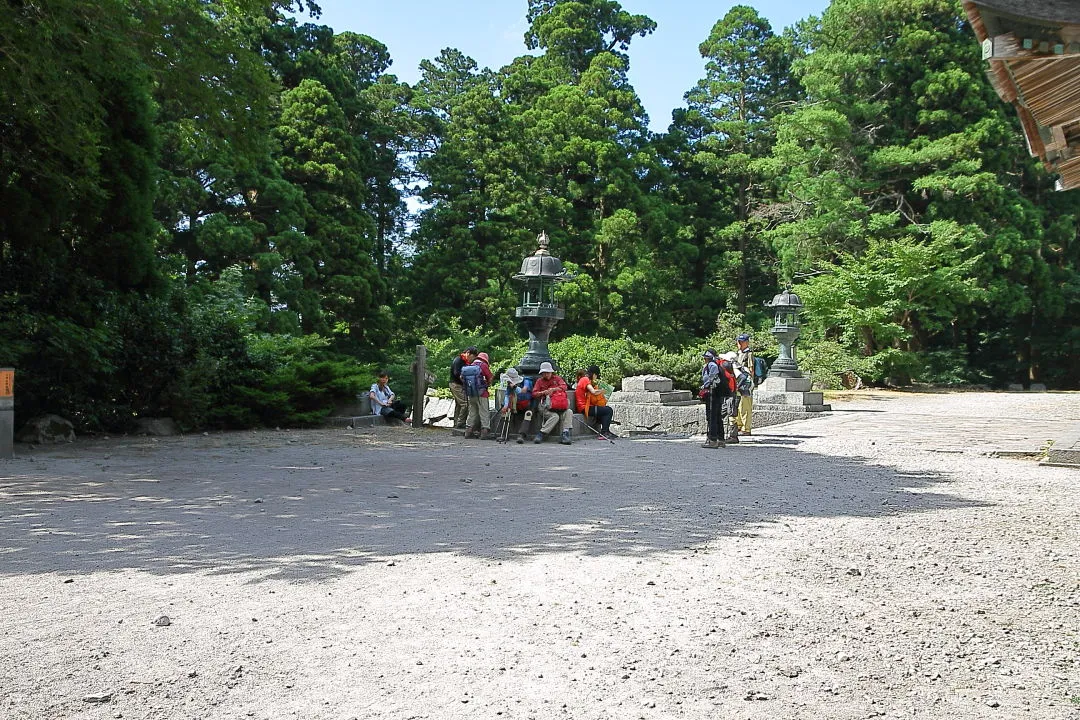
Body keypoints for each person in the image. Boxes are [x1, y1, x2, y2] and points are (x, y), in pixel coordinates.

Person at [532, 361, 572, 445]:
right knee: (555, 416)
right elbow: (534, 394)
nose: (546, 374)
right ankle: (541, 434)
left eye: (548, 372)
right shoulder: (539, 381)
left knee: (569, 412)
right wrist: (544, 393)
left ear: (551, 372)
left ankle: (565, 434)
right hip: (545, 406)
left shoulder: (557, 379)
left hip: (560, 404)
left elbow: (564, 387)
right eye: (544, 373)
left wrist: (553, 390)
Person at [700, 349, 731, 449]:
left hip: (712, 392)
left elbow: (711, 378)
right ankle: (720, 439)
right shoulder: (717, 364)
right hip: (717, 393)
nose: (704, 359)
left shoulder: (711, 365)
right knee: (717, 416)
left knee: (712, 416)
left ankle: (712, 439)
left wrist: (705, 386)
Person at [576, 365, 615, 439]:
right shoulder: (585, 379)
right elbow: (593, 392)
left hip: (588, 406)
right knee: (608, 410)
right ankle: (604, 433)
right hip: (585, 408)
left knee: (604, 409)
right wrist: (603, 391)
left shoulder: (586, 380)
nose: (596, 378)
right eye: (596, 376)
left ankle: (606, 431)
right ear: (594, 374)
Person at [463, 351, 494, 440]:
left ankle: (468, 431)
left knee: (472, 411)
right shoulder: (483, 365)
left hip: (471, 393)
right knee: (484, 411)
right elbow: (490, 377)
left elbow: (462, 377)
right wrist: (487, 384)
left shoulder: (470, 366)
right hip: (482, 393)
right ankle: (484, 432)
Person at [498, 367, 533, 444]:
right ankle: (504, 434)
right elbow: (507, 395)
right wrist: (505, 405)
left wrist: (515, 387)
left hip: (527, 404)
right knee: (506, 412)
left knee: (528, 414)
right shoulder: (509, 384)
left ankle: (521, 435)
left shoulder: (526, 381)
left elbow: (524, 391)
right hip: (515, 405)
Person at [449, 346, 477, 430]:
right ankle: (460, 423)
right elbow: (457, 373)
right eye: (472, 357)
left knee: (459, 404)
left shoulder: (465, 362)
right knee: (465, 404)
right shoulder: (459, 360)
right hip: (456, 384)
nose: (472, 359)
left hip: (459, 384)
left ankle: (456, 423)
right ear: (468, 353)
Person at [733, 334, 755, 438]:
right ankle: (739, 425)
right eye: (739, 342)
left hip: (746, 382)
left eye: (742, 342)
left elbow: (751, 369)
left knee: (745, 406)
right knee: (739, 404)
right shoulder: (738, 353)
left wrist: (750, 382)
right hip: (738, 381)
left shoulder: (748, 354)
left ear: (747, 342)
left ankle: (746, 428)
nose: (739, 344)